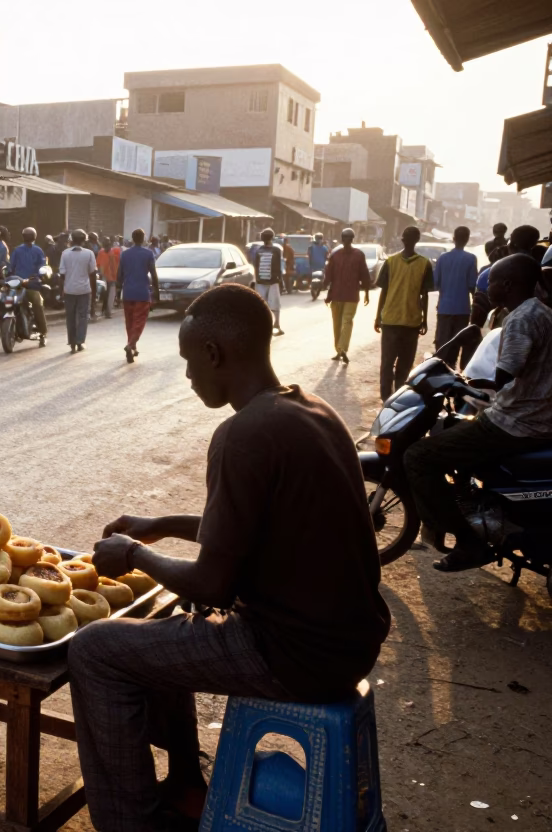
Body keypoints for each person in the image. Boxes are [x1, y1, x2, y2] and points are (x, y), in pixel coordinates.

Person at [70, 283, 390, 832]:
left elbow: (213, 584)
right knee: (165, 628)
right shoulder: (313, 410)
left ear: (214, 354)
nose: (190, 377)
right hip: (349, 641)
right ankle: (186, 787)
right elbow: (258, 534)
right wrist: (163, 525)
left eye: (190, 362)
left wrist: (136, 553)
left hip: (294, 654)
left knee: (96, 650)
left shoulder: (243, 433)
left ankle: (129, 823)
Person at [407, 255, 552, 572]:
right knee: (454, 434)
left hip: (515, 422)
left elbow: (505, 376)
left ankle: (468, 543)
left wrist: (461, 385)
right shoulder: (541, 312)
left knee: (418, 457)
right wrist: (469, 382)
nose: (487, 287)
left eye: (493, 282)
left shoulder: (521, 319)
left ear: (509, 285)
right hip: (535, 416)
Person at [373, 226, 433, 399]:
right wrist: (424, 319)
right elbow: (425, 295)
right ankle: (397, 395)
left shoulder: (391, 262)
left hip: (393, 321)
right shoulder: (424, 263)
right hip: (410, 322)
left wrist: (378, 316)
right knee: (404, 364)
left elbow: (384, 292)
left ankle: (386, 398)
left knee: (388, 363)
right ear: (417, 240)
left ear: (402, 239)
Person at [320, 228, 370, 364]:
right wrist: (326, 291)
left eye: (348, 238)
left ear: (351, 239)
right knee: (340, 323)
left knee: (344, 322)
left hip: (349, 296)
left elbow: (364, 275)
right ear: (343, 239)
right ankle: (340, 350)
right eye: (345, 237)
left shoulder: (356, 255)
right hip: (339, 295)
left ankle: (342, 349)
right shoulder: (336, 256)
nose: (346, 240)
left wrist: (366, 293)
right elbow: (329, 276)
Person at [431, 226, 478, 368]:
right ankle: (451, 369)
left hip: (444, 308)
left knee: (442, 342)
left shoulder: (443, 258)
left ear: (453, 238)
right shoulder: (470, 259)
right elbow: (472, 286)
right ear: (467, 239)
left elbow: (435, 283)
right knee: (456, 343)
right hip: (462, 309)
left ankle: (440, 369)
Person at [118, 229, 158, 364]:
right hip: (142, 292)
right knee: (139, 322)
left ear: (133, 238)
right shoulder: (148, 254)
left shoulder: (125, 254)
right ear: (144, 238)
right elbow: (153, 274)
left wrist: (118, 293)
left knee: (129, 322)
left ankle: (132, 346)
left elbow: (120, 275)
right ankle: (130, 345)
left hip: (128, 292)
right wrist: (156, 291)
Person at [59, 229, 98, 353]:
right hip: (84, 290)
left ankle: (72, 343)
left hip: (69, 290)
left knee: (70, 317)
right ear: (84, 240)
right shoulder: (89, 253)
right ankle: (80, 341)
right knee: (83, 316)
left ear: (71, 240)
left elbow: (62, 274)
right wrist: (94, 291)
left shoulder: (65, 253)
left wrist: (62, 290)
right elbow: (93, 274)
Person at [11, 227, 49, 340]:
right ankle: (43, 331)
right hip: (27, 284)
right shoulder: (36, 250)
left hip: (21, 284)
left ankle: (42, 332)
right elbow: (42, 266)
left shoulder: (18, 250)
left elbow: (10, 267)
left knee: (37, 303)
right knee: (37, 304)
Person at [250, 228, 285, 336]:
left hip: (260, 281)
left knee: (261, 304)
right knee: (275, 304)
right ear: (272, 238)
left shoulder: (258, 250)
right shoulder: (276, 250)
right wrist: (281, 281)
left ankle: (262, 325)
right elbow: (280, 266)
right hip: (273, 281)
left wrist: (256, 279)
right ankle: (277, 324)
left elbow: (255, 265)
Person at [97, 236, 120, 319]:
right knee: (105, 295)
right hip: (104, 277)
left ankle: (108, 312)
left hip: (112, 277)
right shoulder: (101, 252)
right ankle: (105, 311)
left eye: (107, 243)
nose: (106, 245)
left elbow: (117, 265)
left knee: (110, 295)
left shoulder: (115, 252)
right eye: (105, 243)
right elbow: (99, 265)